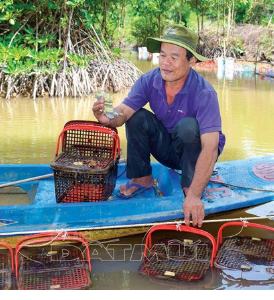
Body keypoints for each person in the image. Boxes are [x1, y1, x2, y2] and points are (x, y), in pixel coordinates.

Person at [92, 24, 226, 228]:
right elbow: (124, 112)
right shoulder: (149, 80)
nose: (166, 63)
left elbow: (210, 146)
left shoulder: (204, 93)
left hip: (194, 154)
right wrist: (108, 117)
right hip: (167, 149)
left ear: (191, 61)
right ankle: (142, 177)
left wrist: (195, 196)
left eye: (174, 57)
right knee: (136, 117)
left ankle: (189, 186)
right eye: (162, 55)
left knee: (188, 126)